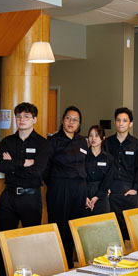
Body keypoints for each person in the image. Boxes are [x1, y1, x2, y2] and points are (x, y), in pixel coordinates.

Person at [0, 101, 50, 276]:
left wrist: (14, 164)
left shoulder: (42, 143)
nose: (21, 120)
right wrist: (25, 163)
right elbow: (1, 166)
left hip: (31, 198)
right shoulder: (7, 142)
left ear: (34, 119)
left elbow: (38, 171)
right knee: (3, 243)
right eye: (18, 116)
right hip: (9, 197)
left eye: (26, 116)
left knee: (29, 242)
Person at [46, 106, 88, 264]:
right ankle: (58, 263)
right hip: (59, 187)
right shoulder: (53, 141)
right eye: (68, 118)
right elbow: (46, 168)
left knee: (74, 225)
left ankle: (70, 262)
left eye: (75, 120)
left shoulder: (82, 141)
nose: (71, 122)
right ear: (62, 120)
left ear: (79, 124)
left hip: (79, 188)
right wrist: (56, 183)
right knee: (59, 226)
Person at [105, 107, 138, 235]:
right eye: (118, 120)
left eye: (124, 120)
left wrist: (135, 188)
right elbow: (103, 167)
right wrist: (105, 187)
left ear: (130, 124)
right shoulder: (107, 143)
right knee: (113, 229)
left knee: (133, 230)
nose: (121, 123)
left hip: (129, 190)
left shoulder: (137, 144)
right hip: (111, 190)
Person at [84, 125, 115, 216]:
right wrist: (84, 196)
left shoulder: (109, 158)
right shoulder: (83, 156)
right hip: (84, 194)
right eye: (90, 135)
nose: (93, 138)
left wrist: (97, 196)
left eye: (97, 136)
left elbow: (108, 179)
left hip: (101, 194)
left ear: (103, 138)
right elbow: (80, 176)